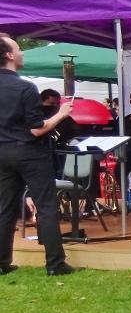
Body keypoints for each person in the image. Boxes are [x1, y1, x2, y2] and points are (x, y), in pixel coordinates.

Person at [0, 33, 76, 275]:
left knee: (5, 208)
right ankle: (55, 264)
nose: (22, 52)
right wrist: (61, 114)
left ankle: (2, 263)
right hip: (30, 153)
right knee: (45, 205)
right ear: (9, 55)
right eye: (18, 49)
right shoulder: (25, 87)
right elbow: (36, 129)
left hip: (2, 152)